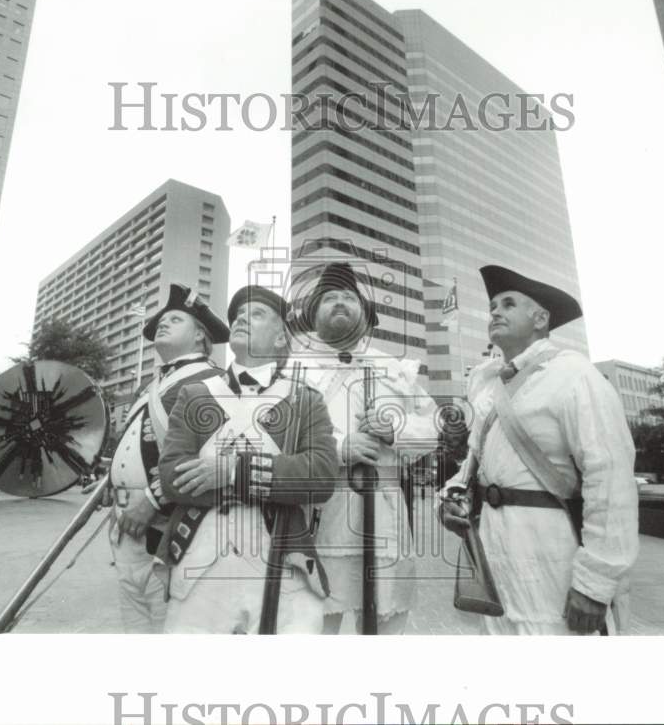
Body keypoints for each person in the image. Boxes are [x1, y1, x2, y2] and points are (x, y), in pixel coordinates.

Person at [438, 265, 639, 635]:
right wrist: (454, 494)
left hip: (550, 548)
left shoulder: (574, 375)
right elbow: (474, 464)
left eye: (509, 304)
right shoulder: (487, 386)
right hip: (492, 546)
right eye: (493, 306)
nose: (495, 311)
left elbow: (610, 479)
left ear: (540, 318)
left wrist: (594, 583)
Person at [154, 285, 337, 634]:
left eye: (256, 314)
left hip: (283, 558)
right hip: (199, 557)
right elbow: (171, 476)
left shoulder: (305, 400)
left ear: (282, 339)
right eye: (238, 315)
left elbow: (320, 476)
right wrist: (276, 481)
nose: (240, 319)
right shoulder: (194, 395)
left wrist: (232, 471)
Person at [291, 262, 438, 635]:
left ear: (364, 312)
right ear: (314, 312)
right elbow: (280, 433)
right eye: (329, 298)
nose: (339, 303)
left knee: (385, 633)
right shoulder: (292, 369)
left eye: (348, 297)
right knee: (316, 630)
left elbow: (434, 426)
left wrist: (394, 430)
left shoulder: (394, 369)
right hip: (320, 518)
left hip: (384, 520)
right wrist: (339, 446)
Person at [110, 284, 229, 633]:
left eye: (175, 319)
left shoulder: (213, 383)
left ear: (200, 338)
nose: (163, 323)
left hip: (170, 525)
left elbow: (209, 458)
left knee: (171, 629)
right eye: (162, 319)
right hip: (126, 527)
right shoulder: (150, 388)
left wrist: (150, 500)